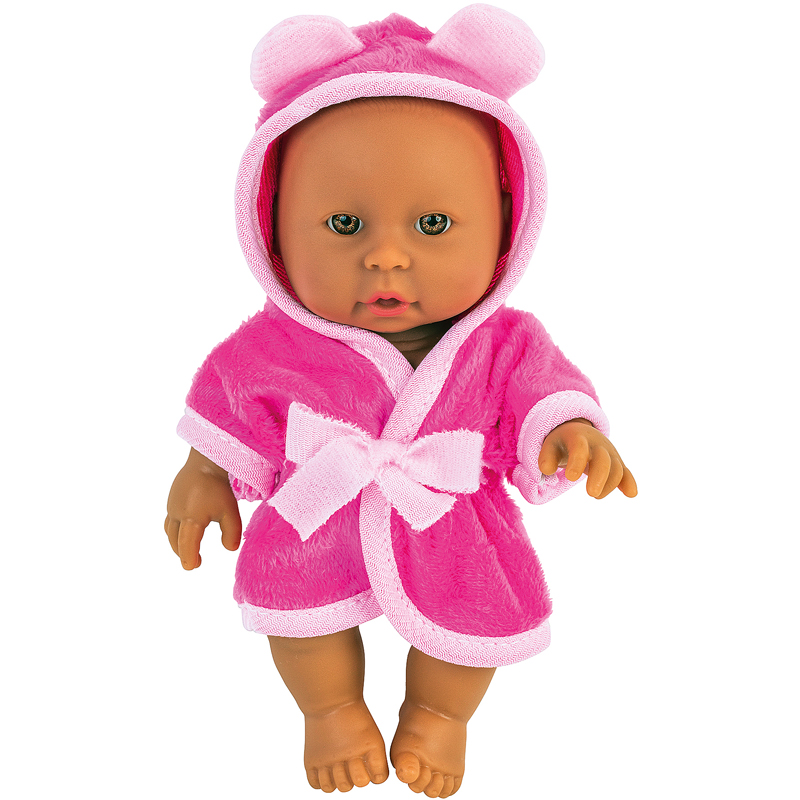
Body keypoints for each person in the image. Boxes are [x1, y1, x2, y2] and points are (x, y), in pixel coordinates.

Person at [164, 8, 637, 797]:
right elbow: (229, 405)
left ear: (506, 226)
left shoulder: (503, 342)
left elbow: (544, 392)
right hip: (316, 512)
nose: (386, 255)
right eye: (344, 224)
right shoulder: (272, 345)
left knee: (471, 632)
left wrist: (570, 429)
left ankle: (440, 716)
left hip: (453, 520)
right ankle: (330, 712)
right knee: (300, 622)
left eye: (434, 223)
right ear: (272, 229)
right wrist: (203, 472)